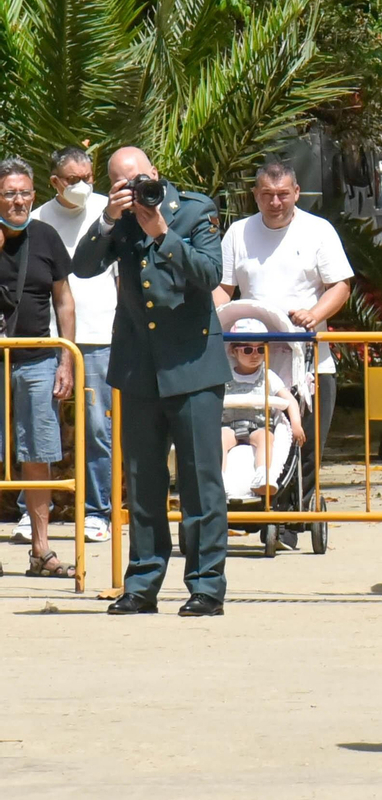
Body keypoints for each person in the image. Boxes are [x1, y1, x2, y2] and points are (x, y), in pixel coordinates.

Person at [74, 146, 230, 616]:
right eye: (123, 183)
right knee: (142, 483)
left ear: (155, 174)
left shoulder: (194, 210)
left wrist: (163, 234)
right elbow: (83, 266)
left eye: (140, 180)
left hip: (193, 366)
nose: (136, 190)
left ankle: (206, 586)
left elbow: (211, 274)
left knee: (201, 480)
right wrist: (106, 218)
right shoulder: (117, 220)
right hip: (139, 367)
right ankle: (142, 584)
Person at [213, 161, 351, 493]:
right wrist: (218, 319)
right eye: (267, 195)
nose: (276, 203)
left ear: (296, 193)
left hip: (308, 361)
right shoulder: (238, 232)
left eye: (283, 195)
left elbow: (341, 286)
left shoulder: (318, 230)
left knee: (305, 444)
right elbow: (222, 288)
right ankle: (242, 501)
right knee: (238, 438)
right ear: (255, 196)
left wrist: (314, 314)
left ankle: (292, 517)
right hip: (248, 360)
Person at [28, 146, 116, 545]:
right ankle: (32, 514)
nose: (83, 186)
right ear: (55, 183)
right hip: (46, 339)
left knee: (98, 427)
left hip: (101, 337)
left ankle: (98, 511)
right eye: (74, 179)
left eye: (88, 177)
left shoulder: (110, 213)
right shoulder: (34, 220)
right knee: (35, 429)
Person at [0, 158, 76, 578]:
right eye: (10, 193)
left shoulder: (45, 236)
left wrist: (66, 357)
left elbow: (65, 301)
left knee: (38, 454)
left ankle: (41, 551)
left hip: (37, 359)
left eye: (25, 193)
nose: (18, 201)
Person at [220, 318, 305, 490]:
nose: (255, 355)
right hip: (228, 425)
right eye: (248, 349)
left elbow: (289, 400)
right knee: (219, 439)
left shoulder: (268, 376)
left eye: (260, 349)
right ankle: (218, 479)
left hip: (258, 425)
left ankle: (264, 475)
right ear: (233, 351)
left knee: (266, 438)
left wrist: (296, 423)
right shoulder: (224, 377)